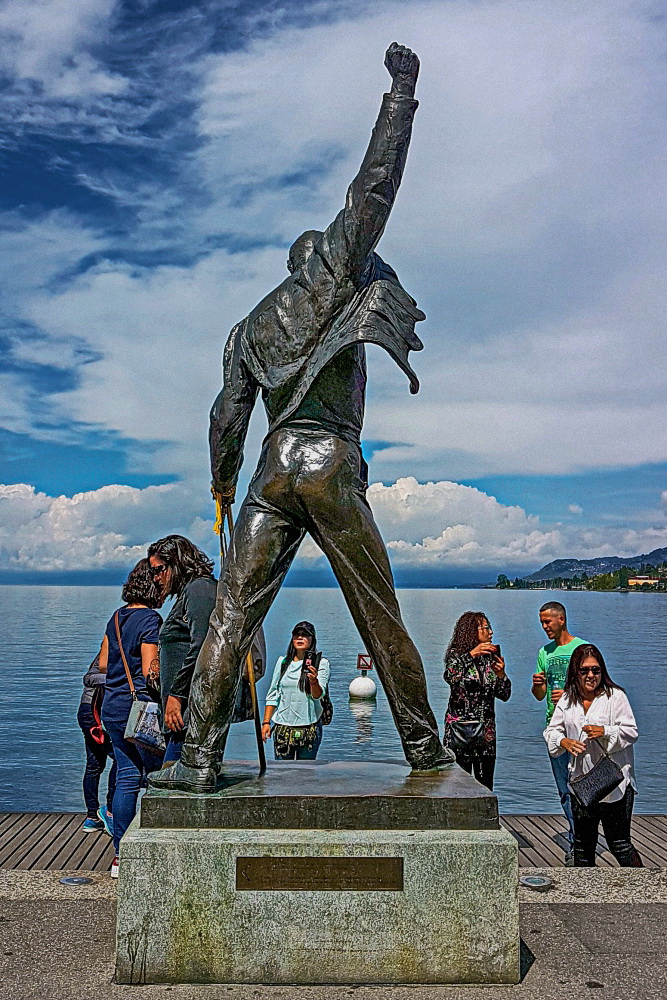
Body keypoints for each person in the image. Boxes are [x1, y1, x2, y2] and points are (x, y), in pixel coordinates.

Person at [151, 43, 455, 795]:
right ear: (320, 260)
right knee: (377, 610)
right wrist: (401, 95)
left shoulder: (248, 328)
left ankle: (198, 761)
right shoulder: (333, 274)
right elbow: (372, 189)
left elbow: (227, 416)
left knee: (229, 617)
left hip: (269, 473)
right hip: (327, 463)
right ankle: (424, 750)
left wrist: (222, 483)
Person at [545, 643, 642, 868]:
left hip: (613, 782)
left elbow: (632, 732)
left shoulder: (615, 697)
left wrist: (606, 731)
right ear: (575, 673)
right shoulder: (567, 699)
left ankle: (643, 886)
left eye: (595, 670)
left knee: (619, 843)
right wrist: (563, 741)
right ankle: (583, 895)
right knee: (583, 846)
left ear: (602, 671)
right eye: (584, 670)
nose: (590, 675)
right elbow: (552, 730)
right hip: (583, 783)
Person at [99, 559, 164, 878]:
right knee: (157, 778)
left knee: (126, 777)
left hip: (111, 705)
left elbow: (101, 663)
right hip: (141, 710)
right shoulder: (150, 618)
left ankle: (120, 856)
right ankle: (156, 847)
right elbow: (152, 670)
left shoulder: (116, 617)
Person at [148, 535, 218, 764]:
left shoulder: (200, 589)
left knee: (174, 789)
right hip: (182, 716)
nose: (156, 578)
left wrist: (176, 696)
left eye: (159, 570)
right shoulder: (191, 591)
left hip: (190, 714)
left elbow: (202, 646)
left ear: (176, 563)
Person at [531, 601, 587, 865]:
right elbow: (539, 696)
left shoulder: (582, 649)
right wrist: (537, 686)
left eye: (548, 622)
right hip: (554, 728)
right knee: (564, 789)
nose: (544, 627)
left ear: (561, 619)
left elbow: (595, 689)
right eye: (542, 623)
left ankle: (584, 839)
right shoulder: (545, 652)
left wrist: (569, 693)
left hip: (578, 729)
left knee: (583, 787)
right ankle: (577, 843)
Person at [442, 612, 510, 790]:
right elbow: (451, 676)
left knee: (485, 785)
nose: (491, 633)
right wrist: (471, 655)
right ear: (473, 631)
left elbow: (504, 695)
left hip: (485, 734)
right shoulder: (456, 655)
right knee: (457, 785)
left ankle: (485, 818)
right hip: (459, 732)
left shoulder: (490, 658)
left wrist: (502, 675)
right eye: (486, 628)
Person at [261, 621, 331, 760]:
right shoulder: (283, 662)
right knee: (281, 772)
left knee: (305, 773)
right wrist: (266, 722)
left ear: (312, 639)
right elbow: (273, 694)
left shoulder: (321, 663)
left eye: (305, 635)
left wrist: (313, 681)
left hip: (309, 728)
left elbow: (318, 695)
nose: (300, 638)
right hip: (283, 728)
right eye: (296, 634)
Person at [77, 651, 115, 835]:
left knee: (95, 765)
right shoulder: (109, 652)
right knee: (121, 760)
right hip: (94, 712)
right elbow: (89, 678)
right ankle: (108, 812)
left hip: (94, 712)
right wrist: (121, 678)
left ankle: (93, 817)